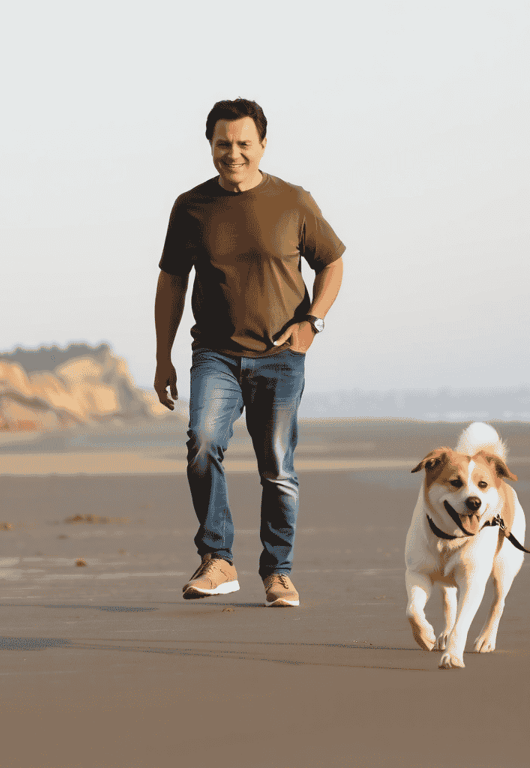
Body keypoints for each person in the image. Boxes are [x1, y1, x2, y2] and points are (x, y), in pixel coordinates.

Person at [153, 98, 345, 607]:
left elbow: (333, 263)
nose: (232, 153)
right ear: (210, 146)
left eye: (243, 143)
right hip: (215, 354)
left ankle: (278, 572)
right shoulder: (190, 207)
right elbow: (171, 283)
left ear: (262, 145)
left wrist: (313, 322)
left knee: (277, 466)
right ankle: (217, 559)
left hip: (281, 355)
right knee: (202, 441)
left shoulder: (293, 201)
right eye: (223, 144)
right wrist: (162, 356)